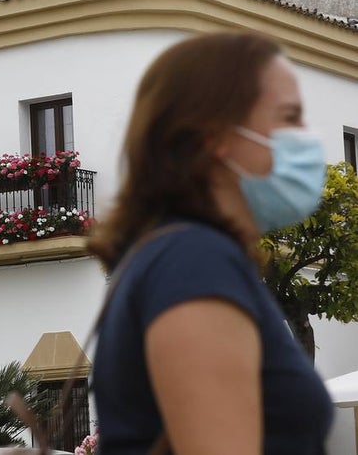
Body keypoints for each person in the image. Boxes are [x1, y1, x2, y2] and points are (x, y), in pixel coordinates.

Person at [88, 32, 334, 454]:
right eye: (289, 117)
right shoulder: (193, 261)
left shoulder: (176, 256)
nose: (307, 137)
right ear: (215, 135)